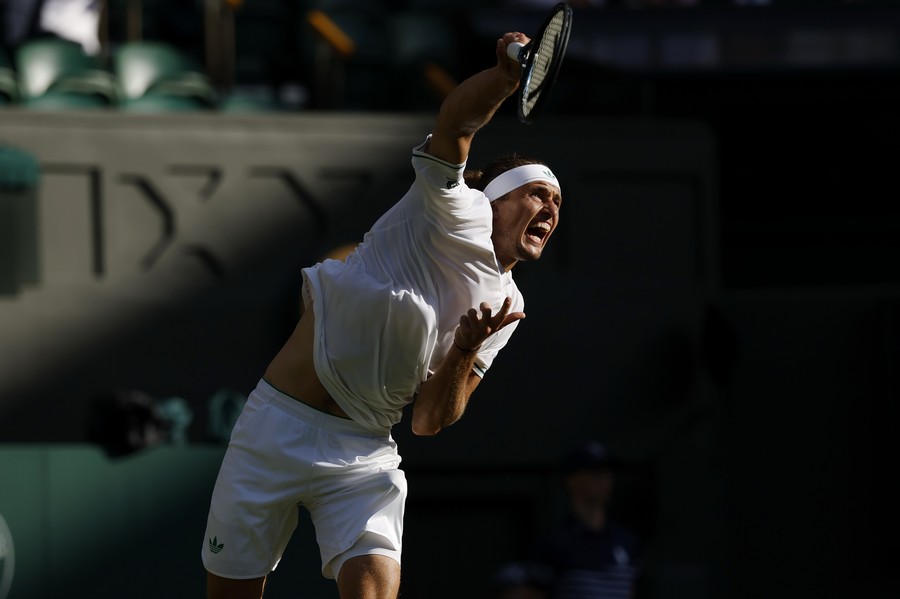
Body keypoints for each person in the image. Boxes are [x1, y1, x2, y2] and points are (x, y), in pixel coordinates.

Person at [201, 29, 564, 599]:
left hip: (364, 451)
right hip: (277, 425)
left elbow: (426, 421)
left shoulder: (509, 306)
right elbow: (455, 126)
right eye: (538, 194)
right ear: (492, 195)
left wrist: (466, 349)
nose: (550, 209)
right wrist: (505, 79)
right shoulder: (452, 203)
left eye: (558, 204)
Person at [529, 442, 643, 599]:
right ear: (572, 480)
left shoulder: (628, 541)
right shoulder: (553, 544)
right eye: (594, 472)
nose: (605, 479)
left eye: (607, 472)